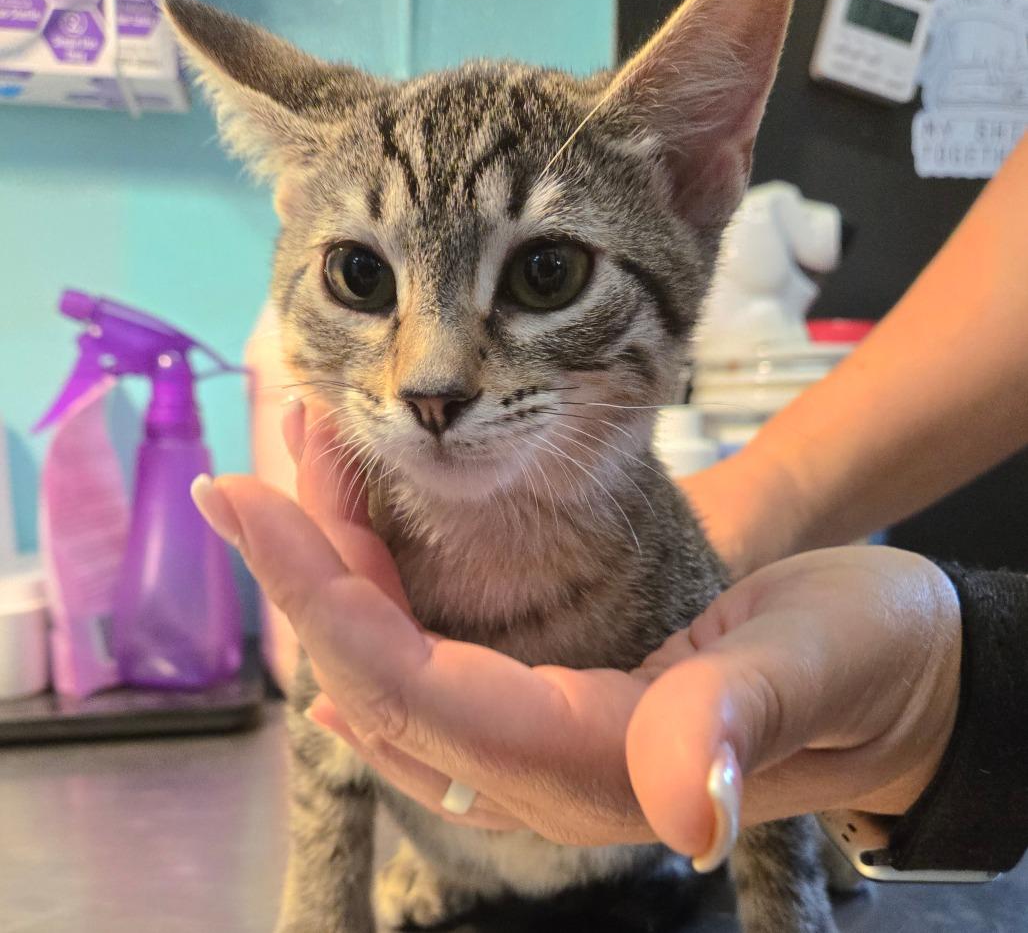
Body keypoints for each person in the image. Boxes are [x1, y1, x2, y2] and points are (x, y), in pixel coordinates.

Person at [191, 133, 1028, 874]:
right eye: (361, 275)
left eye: (542, 272)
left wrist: (906, 722)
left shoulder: (649, 557)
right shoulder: (371, 520)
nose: (432, 382)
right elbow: (322, 740)